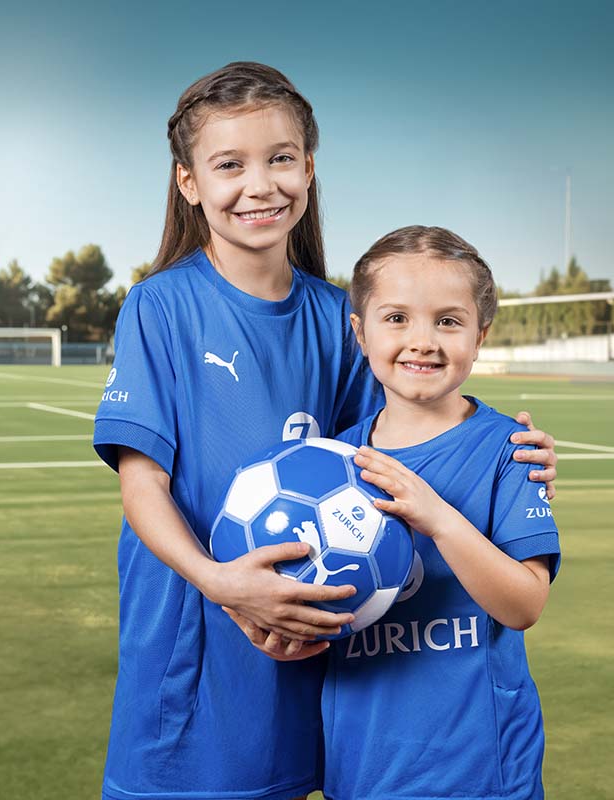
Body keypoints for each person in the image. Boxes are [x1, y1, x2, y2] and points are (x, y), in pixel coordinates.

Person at [93, 63, 557, 800]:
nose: (260, 185)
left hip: (318, 649)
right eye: (229, 165)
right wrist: (222, 584)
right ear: (188, 183)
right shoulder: (160, 307)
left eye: (280, 159)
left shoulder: (341, 317)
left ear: (308, 168)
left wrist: (512, 453)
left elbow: (406, 429)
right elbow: (141, 481)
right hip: (198, 649)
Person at [320, 225, 560, 800]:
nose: (422, 341)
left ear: (480, 336)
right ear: (361, 332)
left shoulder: (511, 450)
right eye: (396, 318)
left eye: (448, 321)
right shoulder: (329, 466)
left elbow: (525, 605)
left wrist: (438, 517)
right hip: (361, 766)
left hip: (479, 771)